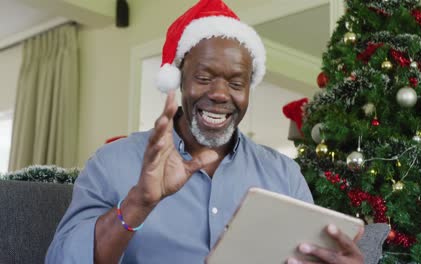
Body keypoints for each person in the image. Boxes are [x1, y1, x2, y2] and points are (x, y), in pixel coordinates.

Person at [46, 0, 364, 263]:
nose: (221, 94)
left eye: (236, 83)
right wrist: (139, 203)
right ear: (178, 80)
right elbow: (62, 259)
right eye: (204, 77)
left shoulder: (284, 175)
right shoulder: (111, 162)